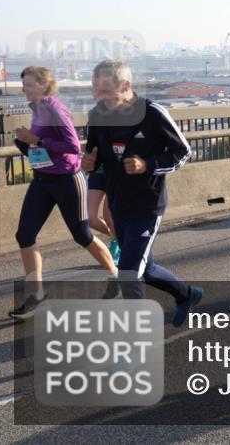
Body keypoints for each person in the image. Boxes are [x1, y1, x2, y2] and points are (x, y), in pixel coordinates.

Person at [82, 59, 202, 327]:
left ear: (126, 86)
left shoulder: (152, 114)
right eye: (95, 90)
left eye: (105, 91)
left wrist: (147, 165)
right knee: (145, 270)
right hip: (118, 205)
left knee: (128, 273)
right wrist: (88, 162)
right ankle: (187, 295)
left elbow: (183, 153)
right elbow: (94, 154)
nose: (98, 97)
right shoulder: (97, 116)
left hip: (147, 206)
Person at [8, 66, 118, 320]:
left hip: (67, 179)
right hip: (42, 179)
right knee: (24, 235)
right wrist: (26, 142)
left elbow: (71, 145)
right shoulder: (37, 108)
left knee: (81, 234)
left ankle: (116, 276)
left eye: (28, 84)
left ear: (44, 86)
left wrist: (35, 140)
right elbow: (41, 145)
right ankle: (36, 296)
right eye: (23, 83)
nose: (23, 88)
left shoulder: (55, 108)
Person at [86, 165, 120, 264]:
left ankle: (120, 245)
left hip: (116, 172)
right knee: (89, 218)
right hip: (97, 170)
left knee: (109, 216)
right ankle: (119, 237)